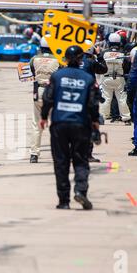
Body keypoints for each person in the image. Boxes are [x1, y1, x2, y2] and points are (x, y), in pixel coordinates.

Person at [40, 46, 100, 210]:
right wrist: (95, 121)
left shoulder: (57, 76)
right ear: (81, 59)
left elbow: (48, 98)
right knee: (80, 160)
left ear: (65, 59)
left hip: (59, 123)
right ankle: (80, 191)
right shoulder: (88, 78)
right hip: (81, 123)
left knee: (61, 162)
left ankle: (64, 200)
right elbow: (93, 103)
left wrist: (44, 117)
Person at [29, 37, 60, 163]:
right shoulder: (59, 60)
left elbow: (32, 72)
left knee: (36, 124)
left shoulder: (34, 59)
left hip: (39, 91)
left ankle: (34, 154)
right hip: (53, 91)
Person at [81, 45, 108, 163]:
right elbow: (103, 69)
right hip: (89, 98)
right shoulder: (91, 62)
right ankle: (88, 154)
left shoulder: (74, 61)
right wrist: (99, 55)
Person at [100, 33, 131, 124]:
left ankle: (103, 117)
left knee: (106, 98)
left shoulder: (104, 53)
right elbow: (127, 67)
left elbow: (100, 64)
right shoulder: (123, 53)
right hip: (119, 78)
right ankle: (126, 118)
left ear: (109, 42)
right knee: (122, 98)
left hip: (106, 78)